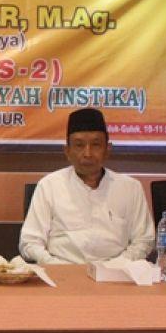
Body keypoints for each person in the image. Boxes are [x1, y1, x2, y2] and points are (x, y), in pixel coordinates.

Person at [19, 108, 154, 264]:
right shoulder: (48, 186)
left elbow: (144, 240)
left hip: (117, 272)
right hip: (61, 272)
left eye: (96, 145)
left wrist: (116, 266)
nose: (88, 153)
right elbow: (29, 243)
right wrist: (57, 267)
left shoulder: (131, 188)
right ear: (67, 151)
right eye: (79, 145)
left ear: (108, 149)